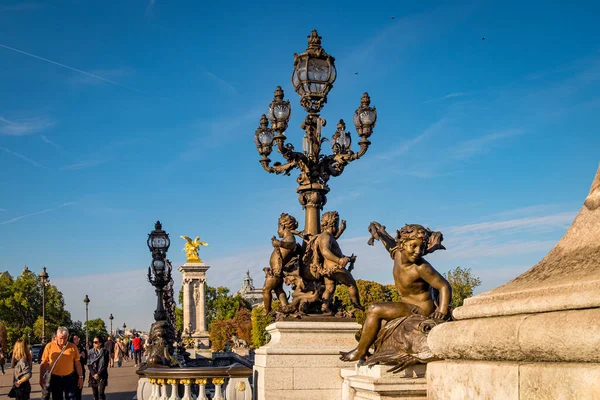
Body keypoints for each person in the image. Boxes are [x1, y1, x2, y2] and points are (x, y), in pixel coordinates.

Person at [340, 223, 452, 362]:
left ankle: (360, 351)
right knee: (377, 322)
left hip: (421, 310)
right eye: (414, 246)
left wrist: (441, 311)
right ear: (402, 245)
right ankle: (373, 353)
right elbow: (388, 243)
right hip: (406, 305)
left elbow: (444, 286)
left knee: (375, 309)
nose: (418, 251)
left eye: (422, 247)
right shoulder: (397, 254)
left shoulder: (421, 268)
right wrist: (378, 233)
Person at [313, 211, 362, 313]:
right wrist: (340, 260)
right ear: (332, 223)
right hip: (335, 267)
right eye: (337, 223)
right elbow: (325, 251)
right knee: (351, 284)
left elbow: (334, 249)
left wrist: (348, 258)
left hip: (327, 268)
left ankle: (324, 307)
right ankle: (357, 305)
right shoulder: (326, 236)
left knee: (329, 289)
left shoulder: (326, 236)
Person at [39, 327, 84, 400]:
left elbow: (77, 363)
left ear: (68, 337)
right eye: (61, 338)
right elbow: (43, 363)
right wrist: (41, 377)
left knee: (72, 398)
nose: (63, 341)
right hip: (55, 378)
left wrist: (80, 377)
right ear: (56, 337)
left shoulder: (72, 347)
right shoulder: (49, 346)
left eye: (65, 338)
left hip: (69, 377)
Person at [71, 335, 87, 400]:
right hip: (71, 373)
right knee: (71, 392)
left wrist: (83, 357)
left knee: (79, 391)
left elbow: (85, 362)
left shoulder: (82, 348)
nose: (77, 340)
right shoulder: (69, 348)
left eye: (78, 339)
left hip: (80, 372)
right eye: (75, 339)